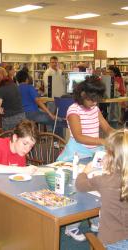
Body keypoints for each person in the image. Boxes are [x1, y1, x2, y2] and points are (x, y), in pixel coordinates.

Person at [57, 76, 114, 242]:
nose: (95, 103)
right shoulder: (73, 110)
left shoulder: (95, 109)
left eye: (97, 100)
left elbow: (107, 127)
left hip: (94, 152)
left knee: (99, 184)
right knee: (79, 188)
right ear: (82, 94)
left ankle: (95, 220)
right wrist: (104, 141)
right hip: (77, 153)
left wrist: (118, 136)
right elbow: (79, 137)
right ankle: (71, 227)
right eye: (92, 100)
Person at [76, 129, 128, 249]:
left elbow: (80, 185)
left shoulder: (104, 180)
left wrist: (85, 172)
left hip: (112, 243)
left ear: (110, 158)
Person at [0, 66, 25, 130]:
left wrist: (0, 109)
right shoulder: (14, 85)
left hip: (10, 120)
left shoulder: (1, 90)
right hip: (21, 117)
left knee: (8, 139)